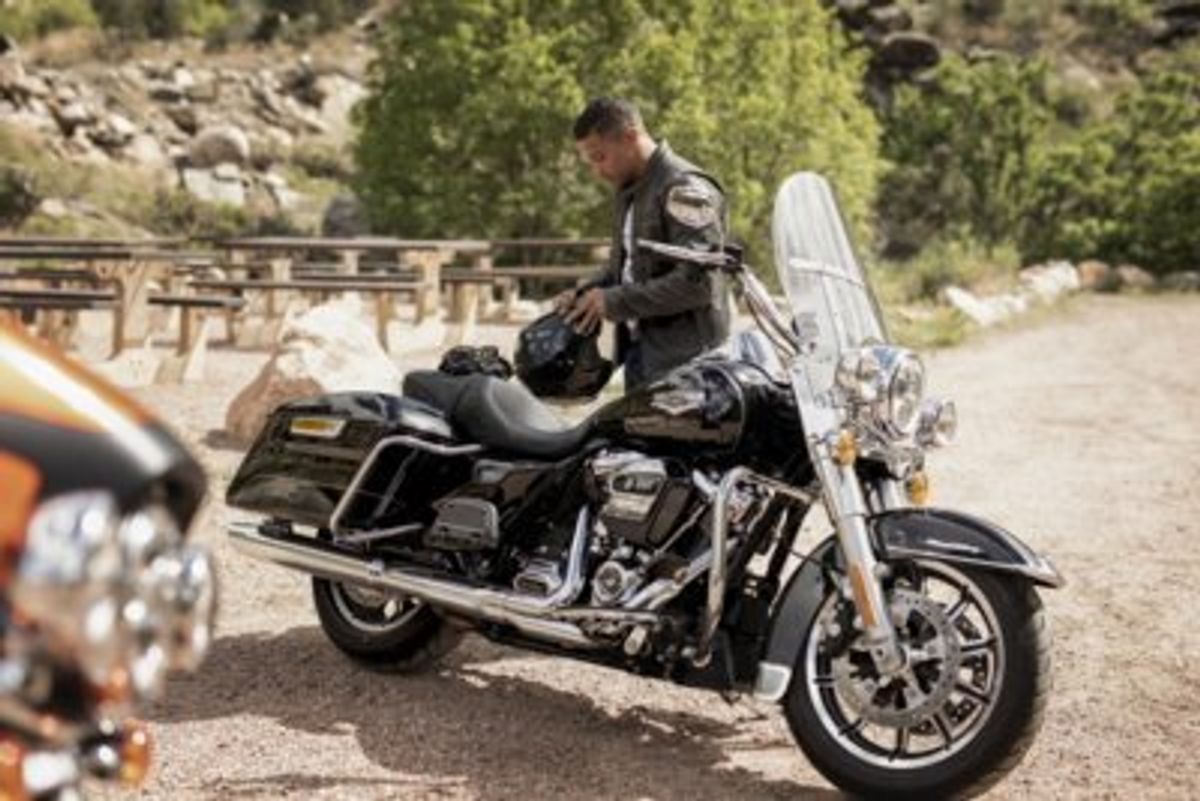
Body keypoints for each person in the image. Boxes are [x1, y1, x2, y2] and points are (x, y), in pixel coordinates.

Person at [558, 97, 731, 390]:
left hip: (687, 366)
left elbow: (699, 284)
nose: (597, 171)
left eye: (600, 157)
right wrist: (585, 294)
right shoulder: (631, 189)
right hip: (642, 356)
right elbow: (629, 269)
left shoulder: (685, 189)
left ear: (630, 136)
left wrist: (613, 301)